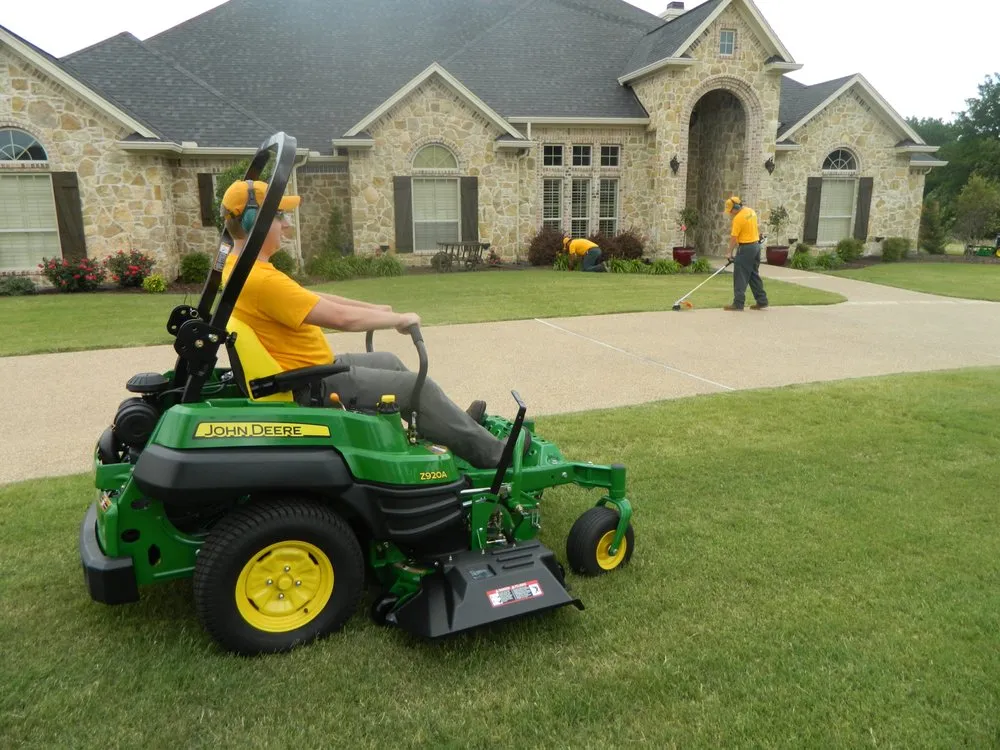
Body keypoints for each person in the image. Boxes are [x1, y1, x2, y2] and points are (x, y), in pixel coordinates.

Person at [219, 179, 508, 469]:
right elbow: (340, 318)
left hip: (307, 371)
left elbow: (313, 299)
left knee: (389, 360)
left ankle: (453, 428)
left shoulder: (242, 268)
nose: (285, 224)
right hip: (310, 386)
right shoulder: (260, 280)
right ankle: (495, 454)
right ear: (256, 221)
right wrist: (398, 320)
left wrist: (376, 310)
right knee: (418, 387)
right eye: (279, 215)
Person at [723, 195, 769, 311]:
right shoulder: (751, 211)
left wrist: (729, 253)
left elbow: (734, 238)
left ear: (735, 207)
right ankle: (762, 301)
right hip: (756, 247)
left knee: (740, 275)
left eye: (731, 210)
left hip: (746, 248)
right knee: (753, 275)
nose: (730, 213)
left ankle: (738, 304)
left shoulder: (738, 218)